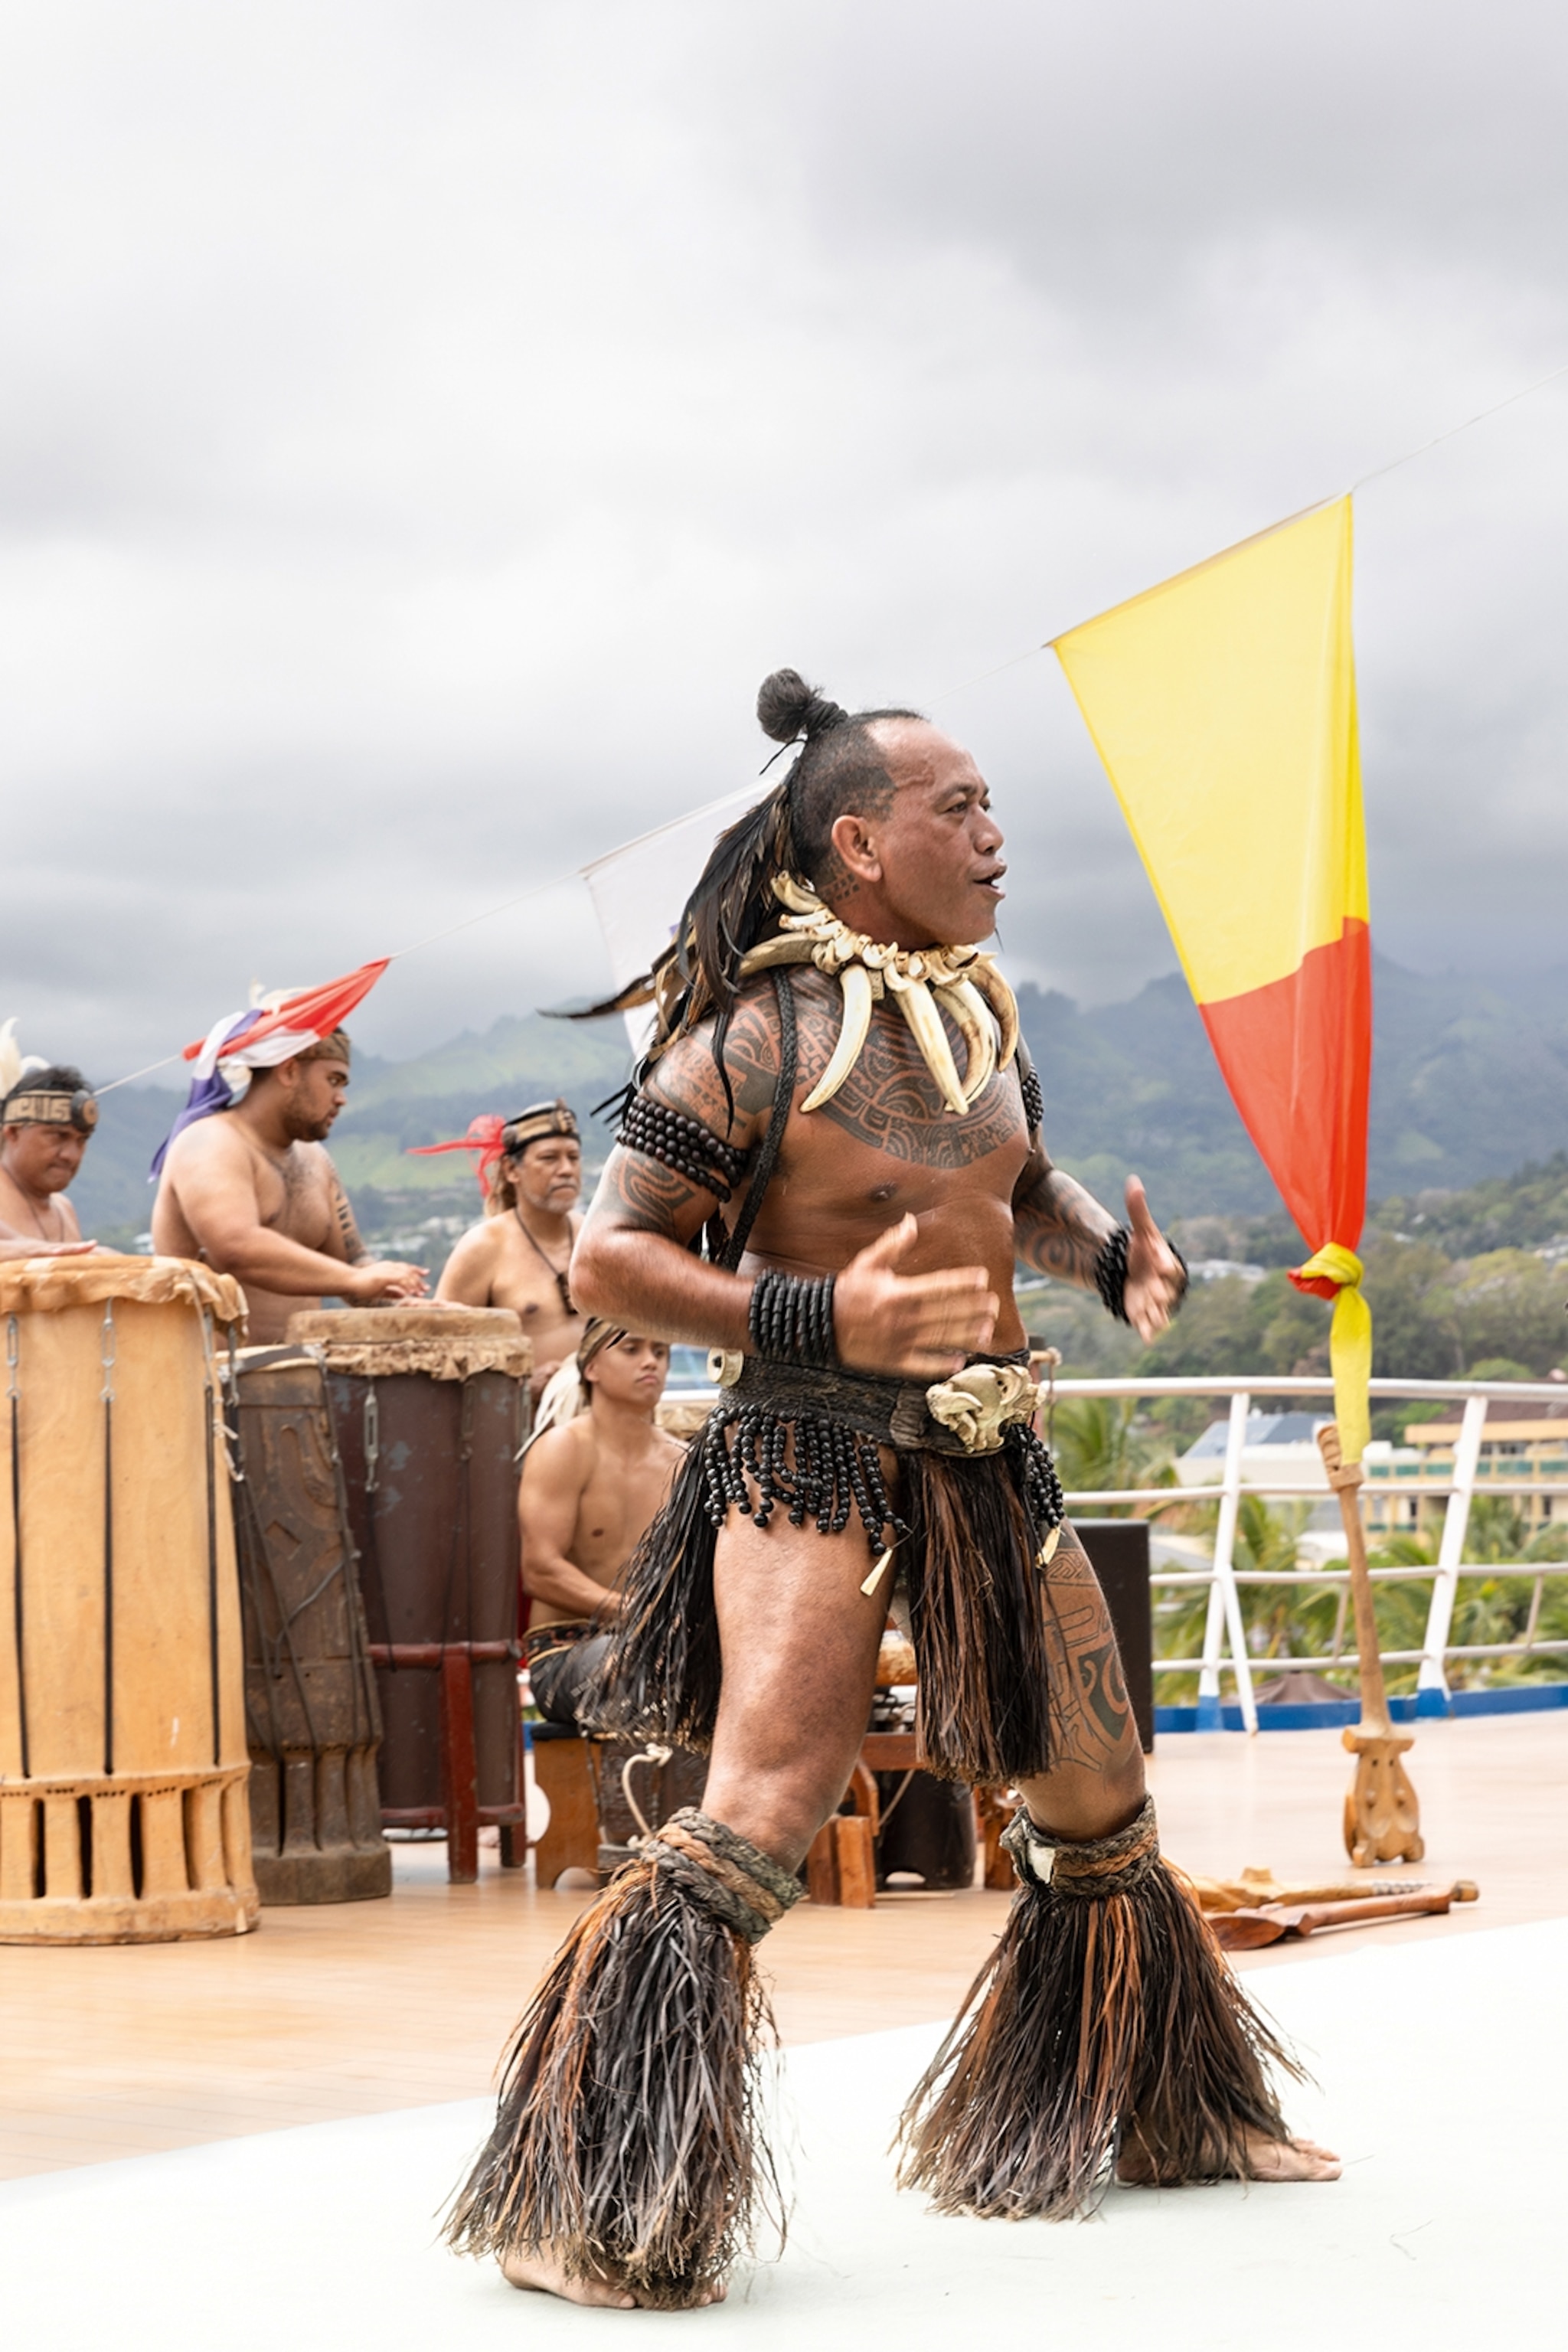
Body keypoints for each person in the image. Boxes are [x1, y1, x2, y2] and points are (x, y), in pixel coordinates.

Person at [447, 668, 1337, 2313]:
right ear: (858, 841)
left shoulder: (978, 1018)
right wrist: (815, 1313)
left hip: (987, 1452)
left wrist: (1113, 1259)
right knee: (758, 1819)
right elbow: (613, 1261)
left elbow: (1022, 1194)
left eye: (995, 806)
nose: (995, 837)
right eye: (958, 809)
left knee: (1096, 1802)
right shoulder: (753, 1039)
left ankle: (1162, 2110)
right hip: (811, 1453)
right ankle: (580, 2189)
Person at [152, 1027, 427, 1344]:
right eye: (333, 1080)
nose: (341, 1099)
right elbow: (236, 1247)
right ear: (289, 1071)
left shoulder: (317, 1160)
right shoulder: (210, 1142)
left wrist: (406, 1303)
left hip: (303, 1379)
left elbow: (352, 1263)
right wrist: (356, 1279)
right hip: (209, 1381)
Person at [521, 1318, 686, 1733]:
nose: (651, 1362)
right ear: (591, 1367)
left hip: (658, 1647)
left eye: (660, 1352)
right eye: (632, 1350)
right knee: (636, 1661)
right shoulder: (563, 1448)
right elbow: (540, 1571)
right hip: (565, 1653)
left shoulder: (683, 1462)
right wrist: (636, 1614)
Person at [432, 1102, 585, 1399]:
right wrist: (521, 1386)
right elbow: (441, 1356)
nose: (566, 1169)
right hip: (516, 1430)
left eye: (574, 1157)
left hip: (602, 1428)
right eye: (549, 1158)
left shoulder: (595, 1238)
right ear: (512, 1170)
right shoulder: (482, 1248)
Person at [0, 1063, 101, 1263]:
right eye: (58, 1136)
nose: (71, 1155)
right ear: (13, 1132)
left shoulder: (65, 1208)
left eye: (82, 1140)